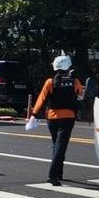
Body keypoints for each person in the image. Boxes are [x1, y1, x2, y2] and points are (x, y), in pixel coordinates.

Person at [31, 54, 85, 186]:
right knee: (61, 147)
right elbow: (81, 95)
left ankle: (59, 173)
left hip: (52, 118)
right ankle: (52, 175)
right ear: (68, 67)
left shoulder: (50, 82)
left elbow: (41, 99)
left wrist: (34, 114)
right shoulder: (75, 81)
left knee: (57, 145)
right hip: (68, 118)